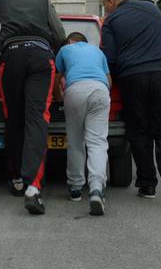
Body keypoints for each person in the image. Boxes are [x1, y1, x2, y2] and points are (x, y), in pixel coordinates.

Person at [0, 0, 66, 215]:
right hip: (41, 57)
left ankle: (17, 178)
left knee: (13, 119)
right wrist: (52, 53)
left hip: (12, 57)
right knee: (37, 119)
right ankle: (33, 188)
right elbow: (60, 34)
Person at [101, 0, 161, 202]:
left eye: (105, 6)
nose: (106, 10)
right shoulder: (152, 9)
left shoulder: (111, 21)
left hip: (133, 78)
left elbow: (110, 59)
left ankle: (147, 185)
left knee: (139, 132)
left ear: (110, 1)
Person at [55, 31, 111, 216]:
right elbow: (109, 80)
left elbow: (57, 77)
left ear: (70, 41)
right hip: (100, 90)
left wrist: (58, 96)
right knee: (97, 142)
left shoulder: (65, 50)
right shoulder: (98, 52)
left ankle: (75, 188)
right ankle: (96, 189)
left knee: (76, 141)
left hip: (75, 90)